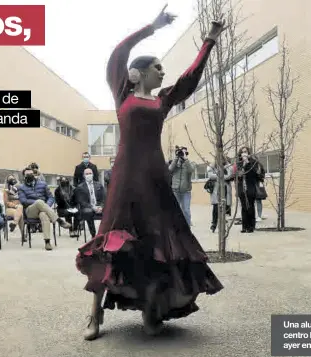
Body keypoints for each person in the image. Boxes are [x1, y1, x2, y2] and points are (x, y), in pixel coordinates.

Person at [75, 8, 224, 341]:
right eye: (156, 67)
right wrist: (151, 28)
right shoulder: (122, 95)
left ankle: (150, 313)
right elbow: (119, 53)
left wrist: (209, 41)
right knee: (111, 244)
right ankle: (94, 315)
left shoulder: (162, 101)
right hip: (125, 182)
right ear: (135, 74)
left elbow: (189, 79)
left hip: (156, 181)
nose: (162, 70)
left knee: (158, 246)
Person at [18, 167, 71, 251]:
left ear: (34, 174)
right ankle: (59, 220)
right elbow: (23, 201)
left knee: (43, 214)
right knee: (39, 202)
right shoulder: (21, 187)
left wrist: (45, 205)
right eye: (27, 174)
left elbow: (51, 198)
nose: (30, 175)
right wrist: (39, 202)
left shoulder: (43, 184)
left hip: (43, 208)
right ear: (24, 176)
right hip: (30, 211)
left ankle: (47, 242)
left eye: (31, 174)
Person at [73, 168, 105, 238]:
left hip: (99, 206)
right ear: (84, 176)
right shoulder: (80, 187)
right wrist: (93, 207)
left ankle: (104, 234)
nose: (89, 175)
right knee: (88, 212)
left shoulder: (99, 185)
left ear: (93, 175)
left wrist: (101, 206)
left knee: (109, 212)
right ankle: (93, 235)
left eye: (90, 173)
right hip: (87, 207)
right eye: (87, 174)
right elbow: (81, 201)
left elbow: (104, 198)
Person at [236, 146, 262, 233]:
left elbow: (257, 174)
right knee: (243, 207)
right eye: (242, 152)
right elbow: (238, 176)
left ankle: (251, 226)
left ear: (249, 153)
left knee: (250, 205)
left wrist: (248, 163)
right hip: (241, 188)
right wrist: (243, 165)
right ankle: (244, 226)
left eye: (246, 152)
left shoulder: (253, 162)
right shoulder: (238, 163)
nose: (244, 154)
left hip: (250, 186)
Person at [168, 146, 195, 226]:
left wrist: (185, 159)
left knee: (186, 210)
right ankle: (175, 227)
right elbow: (170, 169)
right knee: (175, 210)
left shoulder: (190, 163)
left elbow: (191, 170)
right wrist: (176, 158)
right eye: (181, 153)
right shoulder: (175, 163)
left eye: (185, 153)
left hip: (186, 191)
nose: (183, 154)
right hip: (176, 191)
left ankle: (187, 227)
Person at [207, 161, 233, 233]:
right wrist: (222, 176)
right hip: (216, 189)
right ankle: (214, 224)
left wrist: (227, 163)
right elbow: (210, 176)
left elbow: (230, 175)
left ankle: (222, 226)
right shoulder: (212, 166)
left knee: (224, 208)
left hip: (225, 188)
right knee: (216, 207)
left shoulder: (227, 166)